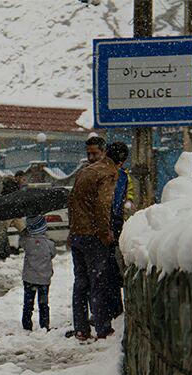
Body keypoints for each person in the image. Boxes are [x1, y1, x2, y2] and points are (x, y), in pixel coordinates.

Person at [67, 142, 120, 341]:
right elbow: (103, 205)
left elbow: (72, 202)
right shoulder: (107, 173)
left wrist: (73, 230)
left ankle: (81, 329)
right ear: (121, 160)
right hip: (93, 236)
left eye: (93, 153)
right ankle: (103, 328)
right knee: (98, 282)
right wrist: (105, 232)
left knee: (80, 283)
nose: (90, 157)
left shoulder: (83, 173)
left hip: (78, 234)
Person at [106, 142, 132, 320]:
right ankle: (114, 307)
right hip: (111, 223)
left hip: (110, 223)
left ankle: (113, 308)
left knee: (109, 268)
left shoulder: (122, 176)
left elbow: (125, 196)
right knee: (111, 267)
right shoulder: (120, 175)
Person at [21, 214, 56, 331]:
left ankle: (27, 324)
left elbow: (22, 241)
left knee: (28, 303)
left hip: (29, 278)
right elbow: (53, 254)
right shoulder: (49, 244)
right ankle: (44, 324)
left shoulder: (27, 242)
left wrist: (25, 232)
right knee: (43, 304)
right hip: (44, 279)